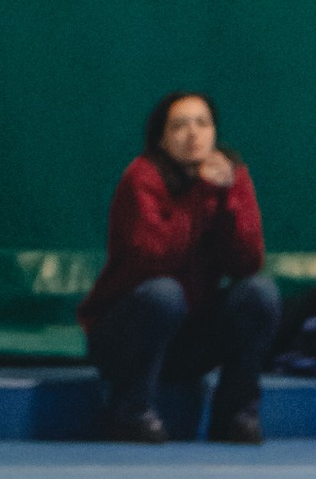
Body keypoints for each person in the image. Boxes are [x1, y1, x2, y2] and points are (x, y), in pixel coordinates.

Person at [81, 91, 276, 445]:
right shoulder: (141, 178)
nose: (193, 133)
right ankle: (129, 412)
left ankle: (235, 414)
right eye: (180, 126)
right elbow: (154, 260)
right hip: (124, 338)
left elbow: (248, 261)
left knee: (260, 293)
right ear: (161, 139)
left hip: (188, 339)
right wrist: (201, 194)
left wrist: (227, 199)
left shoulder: (231, 177)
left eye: (202, 123)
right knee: (164, 295)